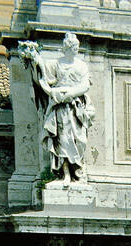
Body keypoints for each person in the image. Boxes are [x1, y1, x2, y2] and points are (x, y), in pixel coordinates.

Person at [19, 33, 93, 185]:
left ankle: (77, 173)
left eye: (77, 47)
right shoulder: (55, 64)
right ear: (66, 48)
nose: (76, 49)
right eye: (73, 47)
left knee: (80, 140)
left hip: (75, 108)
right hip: (59, 108)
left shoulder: (82, 65)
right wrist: (34, 59)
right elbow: (43, 77)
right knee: (62, 141)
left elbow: (85, 85)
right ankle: (65, 174)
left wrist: (70, 93)